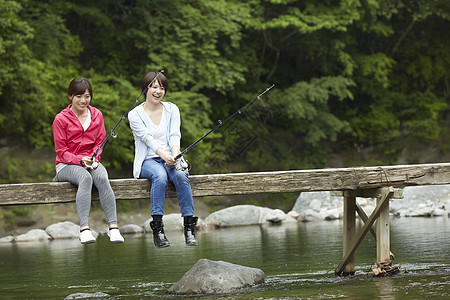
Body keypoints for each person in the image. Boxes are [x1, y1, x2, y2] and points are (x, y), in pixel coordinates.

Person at [128, 71, 198, 248]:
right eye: (154, 87)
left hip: (172, 157)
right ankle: (158, 229)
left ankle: (189, 228)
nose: (158, 91)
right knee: (160, 176)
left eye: (162, 88)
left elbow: (175, 134)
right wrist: (164, 156)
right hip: (149, 160)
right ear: (146, 89)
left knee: (182, 176)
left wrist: (174, 155)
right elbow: (147, 139)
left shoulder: (172, 109)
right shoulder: (134, 114)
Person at [52, 77, 124, 245]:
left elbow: (99, 142)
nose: (83, 100)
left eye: (87, 96)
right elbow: (61, 152)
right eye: (78, 96)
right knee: (86, 178)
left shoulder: (97, 115)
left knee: (101, 177)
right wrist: (79, 160)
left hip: (91, 161)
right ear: (70, 96)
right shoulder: (60, 119)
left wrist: (94, 158)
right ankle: (84, 229)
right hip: (66, 165)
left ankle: (113, 228)